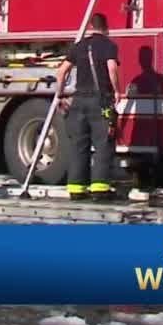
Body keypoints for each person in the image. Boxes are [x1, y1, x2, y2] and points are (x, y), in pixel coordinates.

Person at [53, 13, 122, 200]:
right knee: (103, 144)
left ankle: (76, 189)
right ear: (106, 27)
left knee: (78, 145)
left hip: (78, 101)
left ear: (91, 26)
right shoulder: (109, 46)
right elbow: (112, 68)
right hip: (100, 100)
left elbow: (61, 72)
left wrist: (60, 94)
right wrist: (117, 90)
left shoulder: (79, 46)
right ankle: (99, 189)